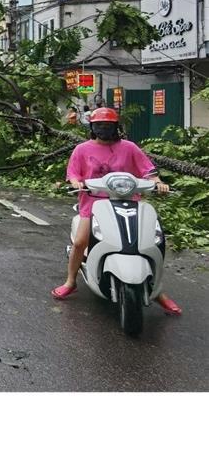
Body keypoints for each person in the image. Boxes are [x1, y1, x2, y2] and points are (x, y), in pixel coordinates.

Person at [52, 107, 182, 315]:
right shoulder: (82, 149)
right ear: (92, 128)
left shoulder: (129, 147)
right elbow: (73, 174)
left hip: (128, 203)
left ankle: (157, 291)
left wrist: (158, 182)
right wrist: (76, 183)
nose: (104, 129)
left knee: (152, 243)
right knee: (80, 242)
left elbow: (148, 170)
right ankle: (70, 281)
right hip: (93, 204)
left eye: (108, 126)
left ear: (116, 127)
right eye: (99, 126)